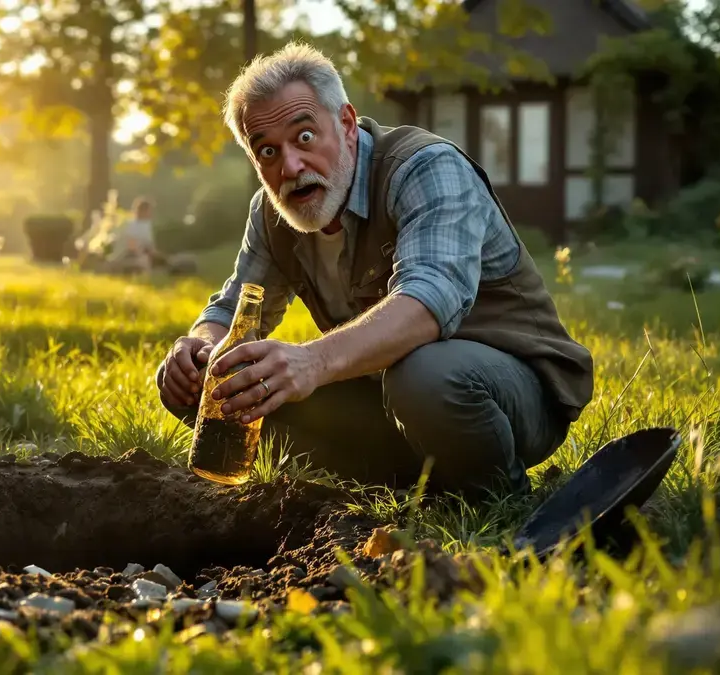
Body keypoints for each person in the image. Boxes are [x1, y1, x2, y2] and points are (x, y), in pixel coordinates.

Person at [154, 43, 594, 497]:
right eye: (266, 151)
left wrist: (312, 361)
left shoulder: (424, 167)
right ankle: (395, 486)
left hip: (507, 393)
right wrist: (200, 350)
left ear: (346, 124)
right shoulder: (271, 213)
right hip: (390, 399)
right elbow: (234, 307)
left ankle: (498, 500)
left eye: (304, 137)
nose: (289, 166)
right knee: (211, 388)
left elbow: (429, 301)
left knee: (425, 375)